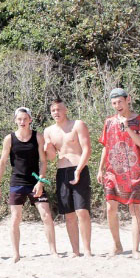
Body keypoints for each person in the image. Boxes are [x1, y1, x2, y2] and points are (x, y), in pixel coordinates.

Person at [96, 88, 140, 259]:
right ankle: (117, 245)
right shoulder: (109, 122)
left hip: (135, 171)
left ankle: (135, 249)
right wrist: (100, 168)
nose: (118, 106)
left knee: (134, 209)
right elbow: (106, 146)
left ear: (128, 100)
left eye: (120, 102)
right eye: (114, 103)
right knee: (110, 208)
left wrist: (128, 129)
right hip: (113, 171)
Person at [0, 107, 58, 263]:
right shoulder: (9, 138)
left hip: (35, 180)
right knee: (15, 218)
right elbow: (2, 162)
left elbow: (43, 162)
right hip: (17, 181)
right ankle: (16, 254)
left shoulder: (38, 137)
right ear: (15, 120)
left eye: (25, 119)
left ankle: (53, 251)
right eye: (19, 119)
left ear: (30, 119)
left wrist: (41, 182)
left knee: (46, 215)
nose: (22, 122)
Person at [43, 99, 93, 257]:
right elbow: (51, 158)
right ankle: (75, 250)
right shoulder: (49, 131)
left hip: (79, 168)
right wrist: (48, 148)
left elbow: (87, 149)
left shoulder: (78, 124)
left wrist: (79, 170)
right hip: (62, 172)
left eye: (58, 109)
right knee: (69, 214)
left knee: (82, 211)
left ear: (65, 110)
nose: (56, 113)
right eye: (53, 110)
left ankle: (87, 250)